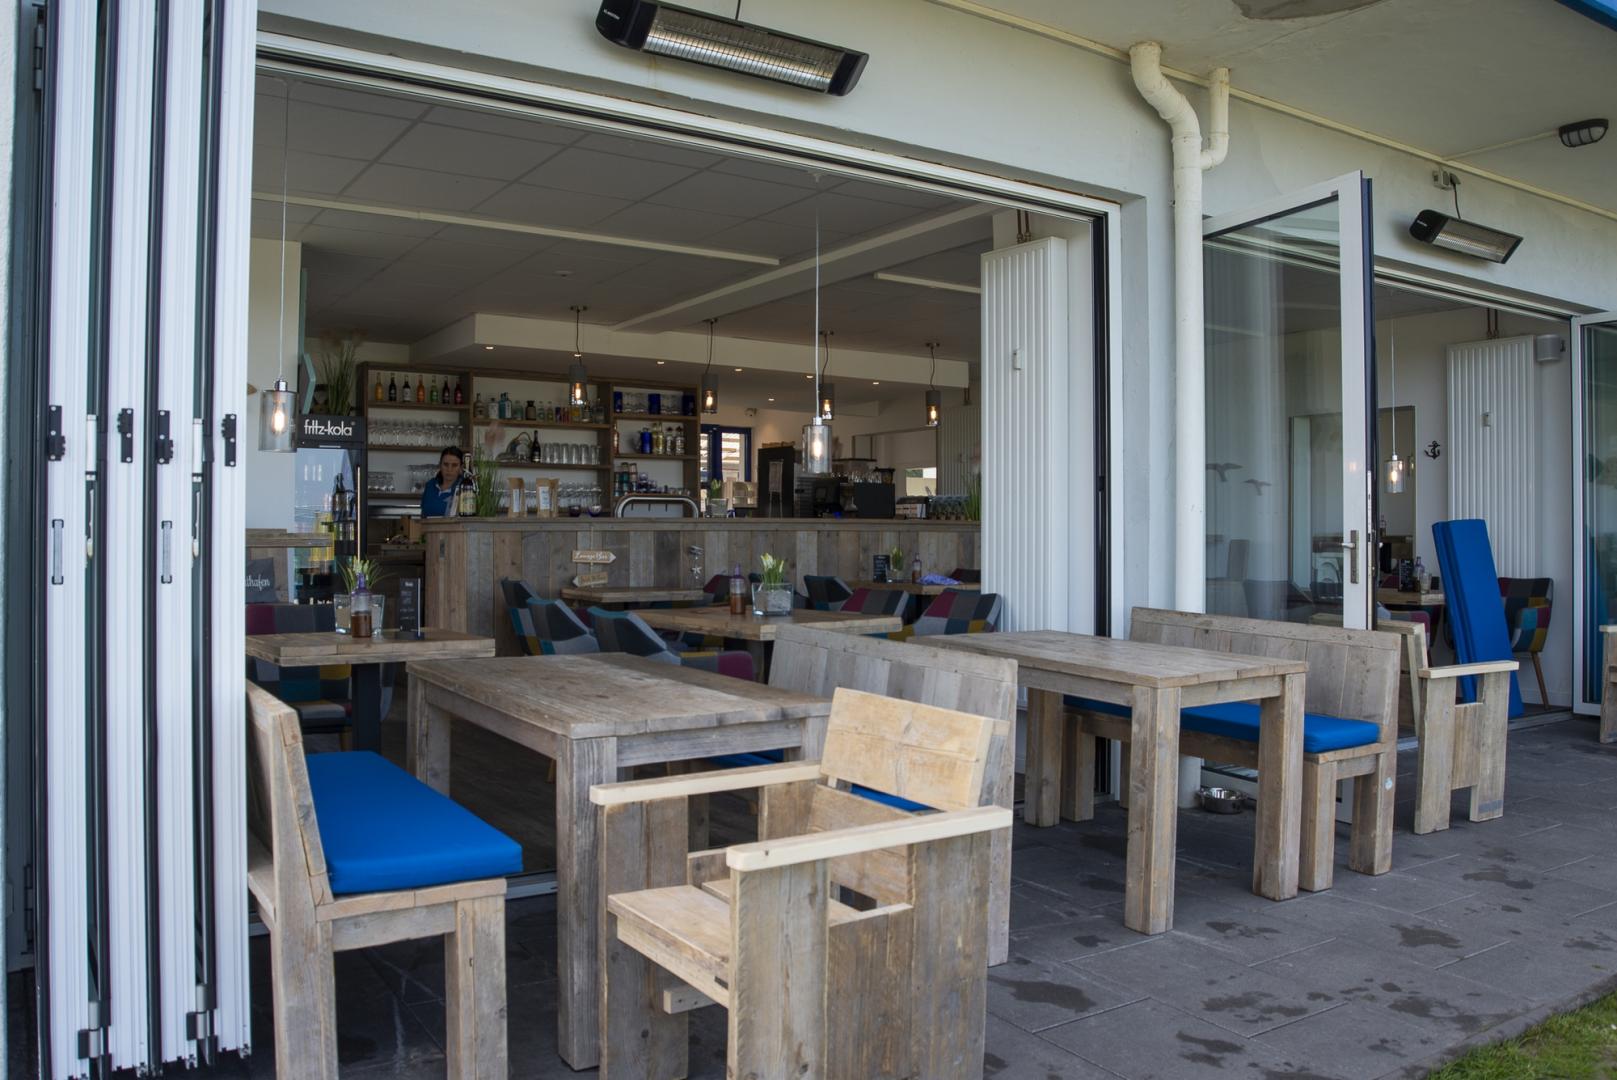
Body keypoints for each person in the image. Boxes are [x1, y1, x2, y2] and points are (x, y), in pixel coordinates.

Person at [420, 446, 465, 517]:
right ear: (440, 465)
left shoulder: (465, 488)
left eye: (454, 465)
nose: (449, 469)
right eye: (446, 464)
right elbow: (422, 514)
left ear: (461, 467)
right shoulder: (430, 485)